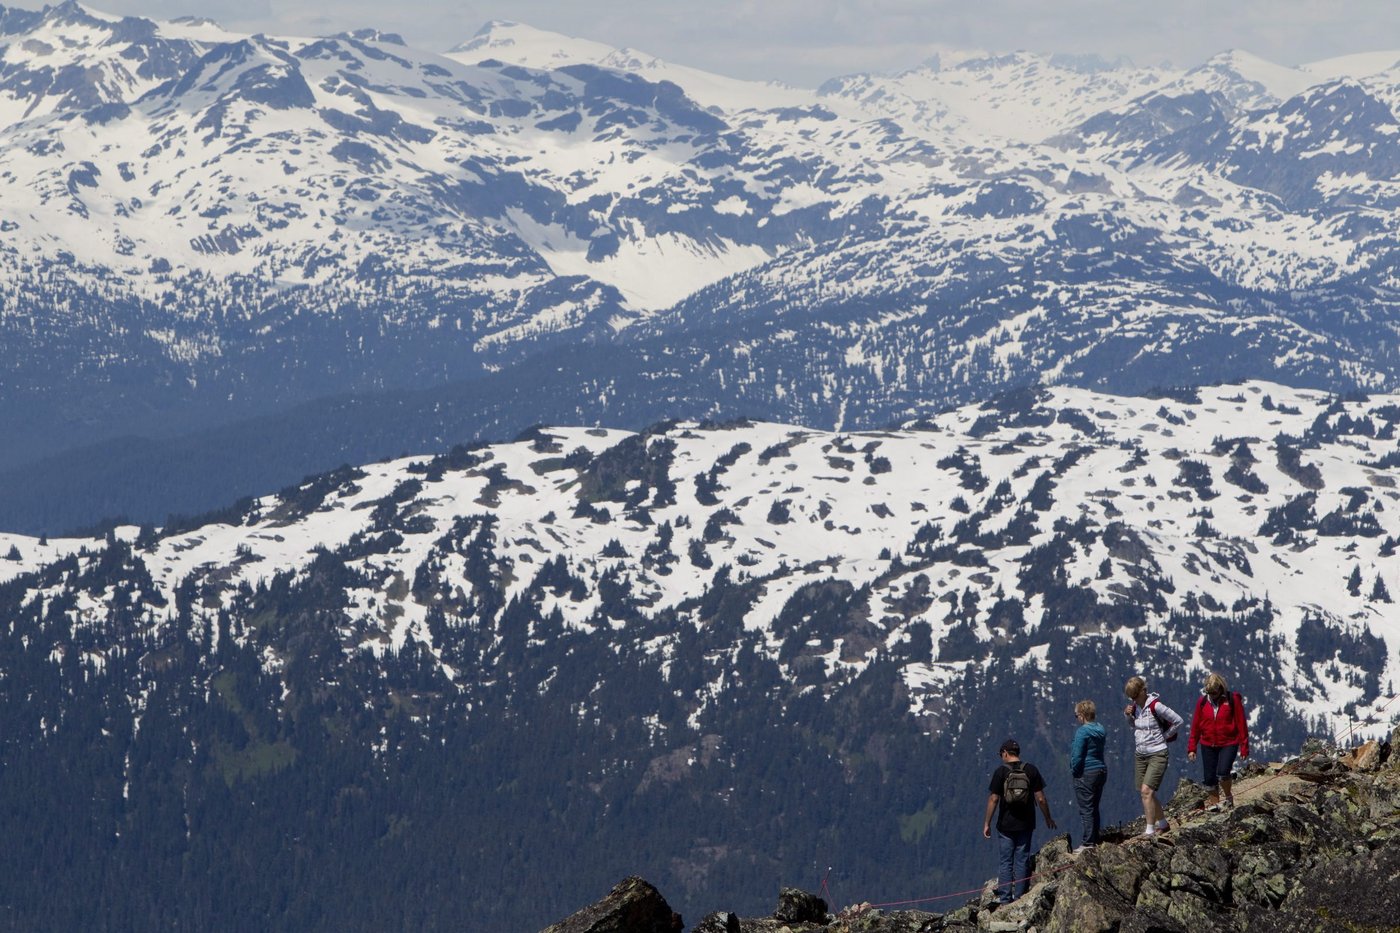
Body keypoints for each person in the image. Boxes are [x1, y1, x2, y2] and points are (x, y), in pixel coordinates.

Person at [982, 738, 1056, 904]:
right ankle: (1020, 898)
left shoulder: (1000, 772)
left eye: (1001, 754)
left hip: (1005, 824)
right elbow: (1041, 798)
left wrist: (987, 822)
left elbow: (993, 799)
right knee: (1022, 859)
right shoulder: (1031, 770)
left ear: (1005, 753)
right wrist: (1048, 818)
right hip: (1026, 823)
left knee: (1006, 861)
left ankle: (1005, 899)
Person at [1123, 676, 1182, 838]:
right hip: (1141, 754)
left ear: (1143, 691)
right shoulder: (1135, 708)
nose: (1134, 699)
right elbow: (1133, 725)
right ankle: (1163, 823)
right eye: (1131, 697)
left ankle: (1149, 830)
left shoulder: (1157, 706)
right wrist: (1128, 716)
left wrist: (1164, 736)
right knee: (1146, 792)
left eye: (1135, 695)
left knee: (1146, 792)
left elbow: (1178, 721)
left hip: (1157, 753)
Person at [1187, 671, 1249, 811]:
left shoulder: (1232, 699)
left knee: (1223, 772)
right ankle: (1216, 806)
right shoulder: (1202, 702)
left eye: (1214, 693)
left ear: (1220, 689)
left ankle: (1228, 798)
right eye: (1209, 693)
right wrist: (1192, 748)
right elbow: (1196, 726)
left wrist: (1244, 747)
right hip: (1207, 743)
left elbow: (1241, 724)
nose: (1212, 696)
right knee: (1209, 779)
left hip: (1229, 742)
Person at [1069, 699, 1106, 851]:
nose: (1077, 718)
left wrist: (1074, 771)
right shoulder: (1100, 729)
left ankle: (1088, 843)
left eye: (1076, 715)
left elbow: (1077, 755)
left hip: (1086, 771)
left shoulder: (1082, 732)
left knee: (1086, 808)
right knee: (1094, 806)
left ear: (1083, 715)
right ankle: (1095, 838)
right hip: (1101, 770)